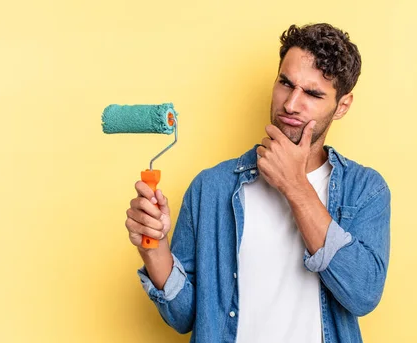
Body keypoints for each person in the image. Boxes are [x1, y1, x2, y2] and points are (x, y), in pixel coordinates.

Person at [125, 23, 391, 343]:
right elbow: (185, 317)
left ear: (342, 106)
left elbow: (363, 294)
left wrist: (295, 186)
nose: (291, 104)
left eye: (312, 93)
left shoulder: (365, 190)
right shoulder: (211, 189)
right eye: (285, 83)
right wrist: (155, 249)